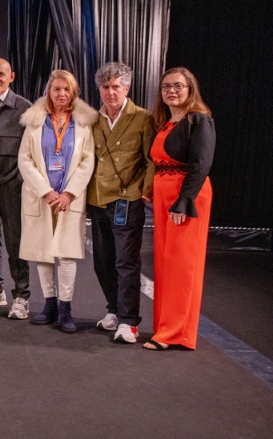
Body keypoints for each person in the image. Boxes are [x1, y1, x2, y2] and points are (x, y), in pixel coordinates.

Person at [18, 70, 97, 333]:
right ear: (49, 92)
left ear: (73, 92)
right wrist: (45, 191)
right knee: (43, 253)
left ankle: (65, 309)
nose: (61, 94)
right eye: (56, 89)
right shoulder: (35, 121)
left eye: (66, 89)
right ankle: (49, 304)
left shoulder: (83, 123)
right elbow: (25, 160)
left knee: (66, 253)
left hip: (68, 199)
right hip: (41, 198)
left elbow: (87, 161)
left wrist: (68, 193)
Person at [144, 67, 215, 351]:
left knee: (181, 264)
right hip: (164, 195)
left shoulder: (199, 119)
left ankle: (174, 333)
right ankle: (167, 327)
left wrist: (184, 200)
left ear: (190, 89)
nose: (171, 91)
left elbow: (201, 164)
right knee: (165, 262)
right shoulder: (166, 122)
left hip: (185, 194)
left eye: (178, 86)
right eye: (166, 86)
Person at [87, 62, 156, 344]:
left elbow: (151, 160)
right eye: (105, 87)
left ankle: (129, 321)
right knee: (102, 262)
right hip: (98, 198)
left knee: (125, 262)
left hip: (128, 198)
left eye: (116, 86)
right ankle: (114, 310)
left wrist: (145, 191)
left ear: (126, 88)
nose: (111, 92)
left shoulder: (143, 118)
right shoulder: (92, 119)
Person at [0, 58, 33, 318]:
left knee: (15, 241)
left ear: (11, 76)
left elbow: (34, 150)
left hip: (13, 185)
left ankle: (22, 296)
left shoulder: (25, 109)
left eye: (1, 74)